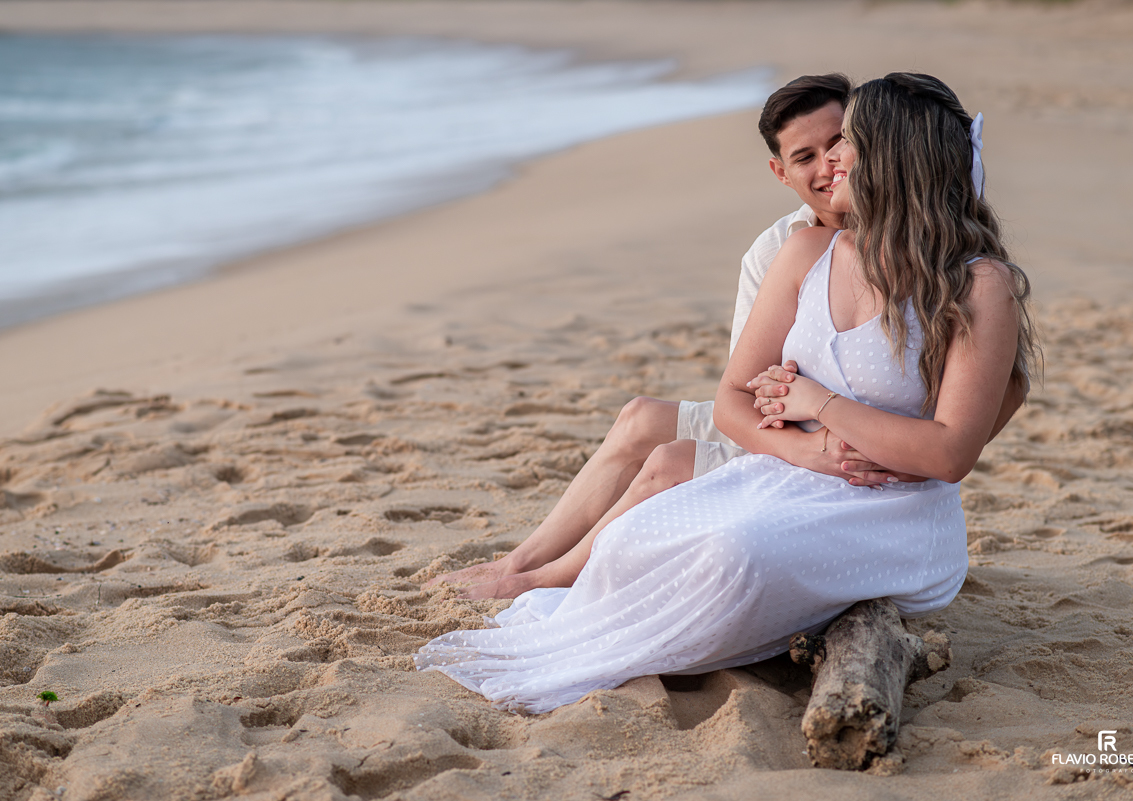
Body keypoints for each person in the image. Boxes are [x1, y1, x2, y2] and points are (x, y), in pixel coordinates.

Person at [415, 73, 1038, 714]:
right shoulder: (802, 251)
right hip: (790, 473)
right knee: (635, 535)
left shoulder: (978, 283)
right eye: (817, 151)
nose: (834, 160)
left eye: (846, 141)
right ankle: (537, 578)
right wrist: (810, 449)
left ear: (891, 154)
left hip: (893, 511)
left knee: (732, 555)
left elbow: (949, 453)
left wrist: (817, 402)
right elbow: (735, 398)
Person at [426, 74, 927, 599]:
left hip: (838, 439)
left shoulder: (914, 240)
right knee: (640, 416)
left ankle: (542, 578)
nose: (827, 166)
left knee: (667, 460)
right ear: (780, 172)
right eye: (805, 157)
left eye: (836, 144)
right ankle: (522, 560)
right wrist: (796, 419)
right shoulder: (778, 248)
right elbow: (750, 392)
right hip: (787, 431)